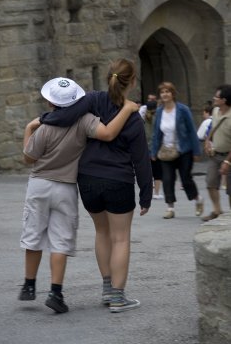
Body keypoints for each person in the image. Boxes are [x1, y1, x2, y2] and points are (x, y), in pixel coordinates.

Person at [40, 59, 152, 313]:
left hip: (88, 178)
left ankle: (106, 288)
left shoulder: (93, 99)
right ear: (132, 81)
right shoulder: (132, 116)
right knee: (121, 238)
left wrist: (42, 119)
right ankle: (118, 296)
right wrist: (146, 194)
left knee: (102, 233)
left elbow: (64, 114)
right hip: (118, 180)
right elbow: (141, 159)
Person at [18, 76, 139, 314]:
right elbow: (107, 133)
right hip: (65, 186)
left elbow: (28, 158)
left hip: (40, 184)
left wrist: (28, 129)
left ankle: (29, 284)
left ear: (50, 102)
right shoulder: (84, 120)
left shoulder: (45, 127)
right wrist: (127, 109)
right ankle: (55, 291)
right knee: (60, 240)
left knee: (33, 234)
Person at [151, 82, 203, 219]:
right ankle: (170, 208)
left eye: (167, 91)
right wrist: (153, 151)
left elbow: (192, 131)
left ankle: (198, 199)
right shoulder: (159, 111)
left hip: (184, 150)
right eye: (162, 92)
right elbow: (156, 133)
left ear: (173, 94)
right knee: (167, 179)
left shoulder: (183, 110)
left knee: (185, 179)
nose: (165, 94)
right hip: (166, 151)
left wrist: (196, 151)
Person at [202, 84, 231, 221]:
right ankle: (217, 210)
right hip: (215, 155)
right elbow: (212, 129)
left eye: (217, 96)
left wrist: (227, 161)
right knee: (210, 183)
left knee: (230, 189)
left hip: (229, 156)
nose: (214, 98)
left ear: (224, 100)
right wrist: (207, 142)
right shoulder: (215, 111)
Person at [144, 100, 163, 199]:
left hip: (145, 148)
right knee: (157, 172)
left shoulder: (142, 118)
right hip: (155, 148)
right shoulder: (157, 118)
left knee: (148, 172)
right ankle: (156, 193)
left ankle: (148, 192)